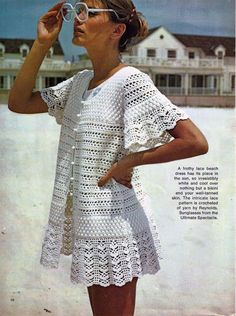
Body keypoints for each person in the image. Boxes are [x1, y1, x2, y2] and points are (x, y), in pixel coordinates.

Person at [8, 1, 208, 315]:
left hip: (116, 227)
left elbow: (195, 141)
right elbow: (18, 102)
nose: (78, 18)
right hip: (92, 224)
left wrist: (129, 162)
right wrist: (43, 44)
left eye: (90, 12)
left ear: (117, 30)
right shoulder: (79, 83)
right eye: (78, 9)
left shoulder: (131, 82)